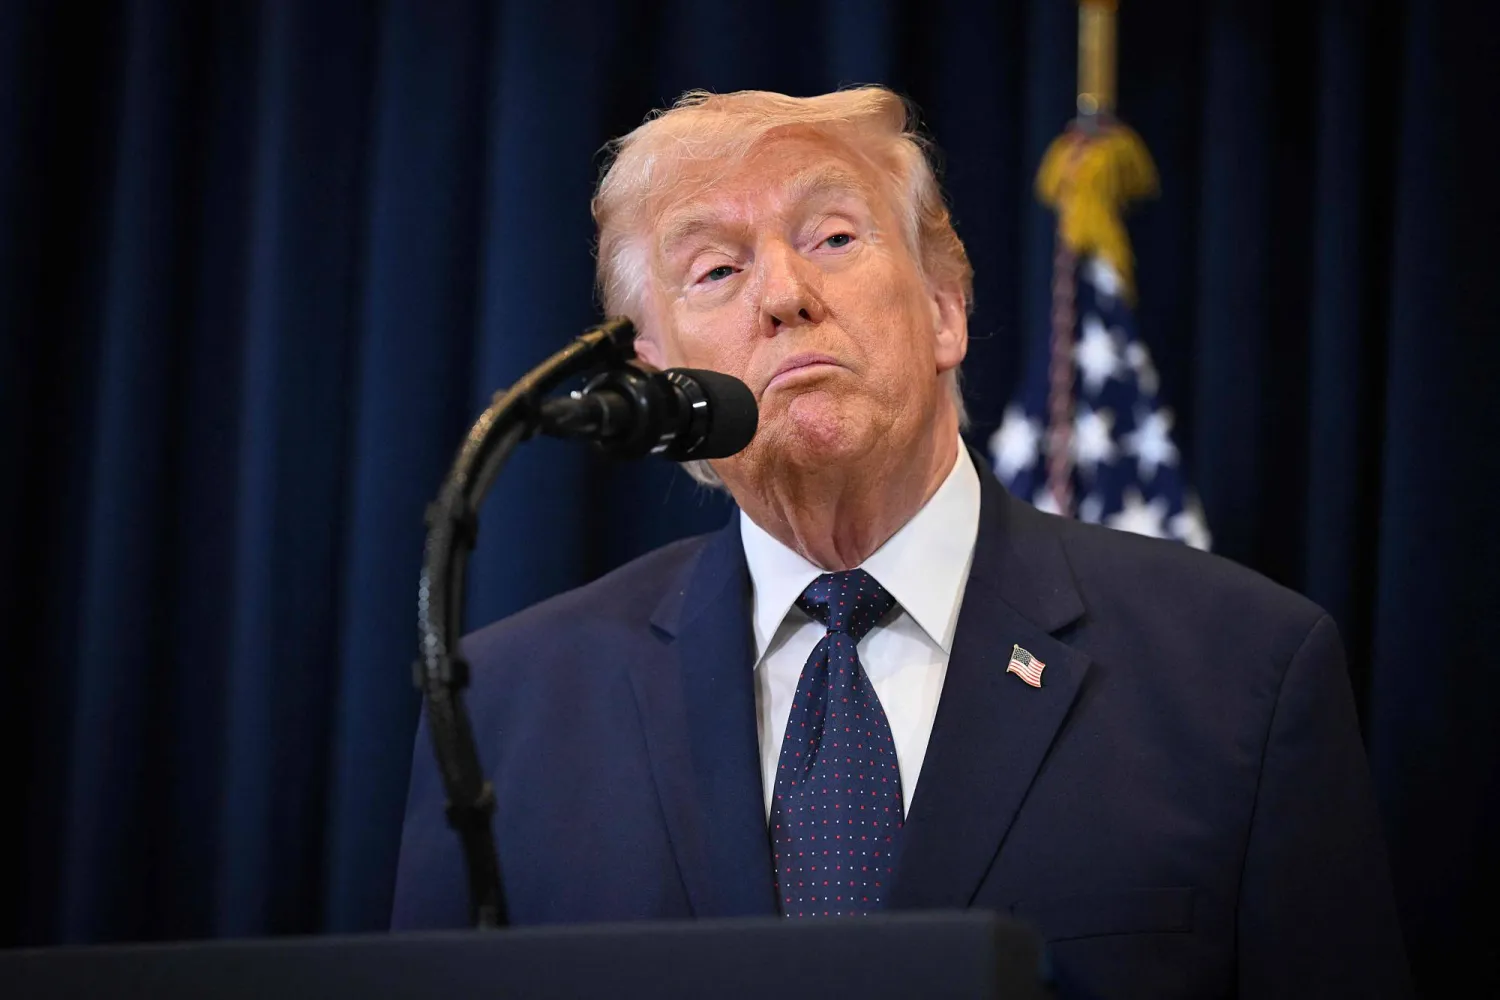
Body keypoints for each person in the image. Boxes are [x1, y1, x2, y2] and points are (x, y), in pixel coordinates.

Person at [391, 87, 1410, 998]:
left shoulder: (1245, 673)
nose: (783, 293)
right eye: (715, 268)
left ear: (944, 311)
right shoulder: (512, 707)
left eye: (833, 237)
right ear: (661, 381)